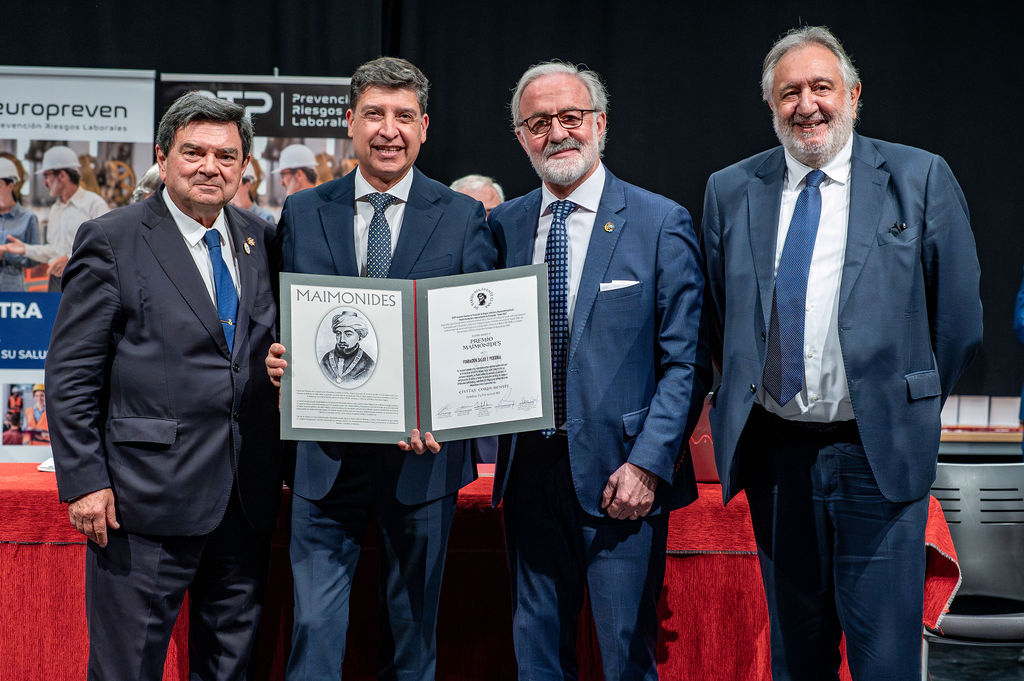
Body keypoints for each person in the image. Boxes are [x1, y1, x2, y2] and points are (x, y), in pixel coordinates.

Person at [701, 26, 983, 680]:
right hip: (777, 457)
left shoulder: (919, 176)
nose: (807, 105)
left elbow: (960, 320)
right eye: (789, 92)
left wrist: (902, 399)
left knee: (884, 661)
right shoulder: (729, 190)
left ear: (853, 94)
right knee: (797, 658)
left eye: (821, 87)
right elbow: (720, 318)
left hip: (876, 454)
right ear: (771, 107)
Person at [265, 56, 497, 681]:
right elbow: (281, 318)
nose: (387, 129)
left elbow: (472, 337)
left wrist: (447, 414)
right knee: (313, 627)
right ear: (349, 122)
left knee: (414, 630)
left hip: (421, 457)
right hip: (323, 455)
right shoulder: (305, 210)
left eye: (402, 116)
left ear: (424, 127)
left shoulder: (461, 215)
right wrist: (278, 355)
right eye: (373, 114)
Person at [46, 92, 282, 681]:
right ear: (163, 155)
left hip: (243, 499)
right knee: (128, 668)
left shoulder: (261, 237)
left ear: (245, 164)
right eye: (193, 153)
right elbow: (72, 374)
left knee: (230, 668)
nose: (210, 167)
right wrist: (84, 481)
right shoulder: (113, 238)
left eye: (226, 156)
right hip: (142, 502)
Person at [488, 61, 709, 681]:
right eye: (539, 122)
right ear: (521, 136)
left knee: (624, 657)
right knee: (535, 656)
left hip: (622, 478)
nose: (556, 132)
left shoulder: (660, 222)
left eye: (570, 117)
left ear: (600, 123)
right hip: (528, 473)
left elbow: (686, 361)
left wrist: (647, 464)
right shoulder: (501, 227)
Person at [2, 145, 109, 291]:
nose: (45, 183)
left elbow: (106, 246)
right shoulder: (56, 209)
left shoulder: (94, 204)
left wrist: (70, 259)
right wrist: (25, 249)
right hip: (56, 282)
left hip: (84, 281)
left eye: (47, 176)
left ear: (62, 175)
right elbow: (53, 251)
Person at [0, 157, 39, 291]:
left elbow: (35, 259)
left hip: (13, 290)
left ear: (11, 185)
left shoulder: (28, 218)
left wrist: (5, 253)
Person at [319, 310, 375, 387]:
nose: (342, 339)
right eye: (338, 334)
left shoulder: (368, 364)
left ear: (360, 336)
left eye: (348, 334)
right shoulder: (326, 359)